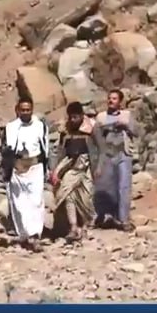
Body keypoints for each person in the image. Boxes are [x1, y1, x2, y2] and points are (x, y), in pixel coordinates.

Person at [49, 101, 99, 243]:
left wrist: (98, 168)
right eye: (71, 117)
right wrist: (56, 170)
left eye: (76, 117)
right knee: (68, 195)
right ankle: (73, 227)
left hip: (87, 169)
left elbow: (97, 150)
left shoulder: (91, 130)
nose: (73, 120)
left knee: (86, 198)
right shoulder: (65, 132)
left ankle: (86, 225)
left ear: (82, 116)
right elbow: (61, 151)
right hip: (70, 169)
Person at [3, 97, 49, 252]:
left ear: (32, 110)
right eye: (22, 110)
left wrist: (47, 167)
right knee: (20, 203)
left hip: (35, 166)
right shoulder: (11, 127)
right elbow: (6, 149)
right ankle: (24, 234)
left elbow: (45, 147)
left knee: (36, 201)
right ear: (17, 110)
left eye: (28, 110)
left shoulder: (40, 125)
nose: (25, 112)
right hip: (17, 168)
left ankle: (35, 235)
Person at [93, 89, 141, 232]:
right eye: (109, 98)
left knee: (124, 186)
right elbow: (96, 135)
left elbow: (136, 131)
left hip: (123, 153)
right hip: (107, 155)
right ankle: (107, 216)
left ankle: (124, 219)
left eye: (114, 98)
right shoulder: (101, 117)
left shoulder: (126, 115)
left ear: (120, 101)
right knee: (107, 187)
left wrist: (125, 126)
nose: (111, 101)